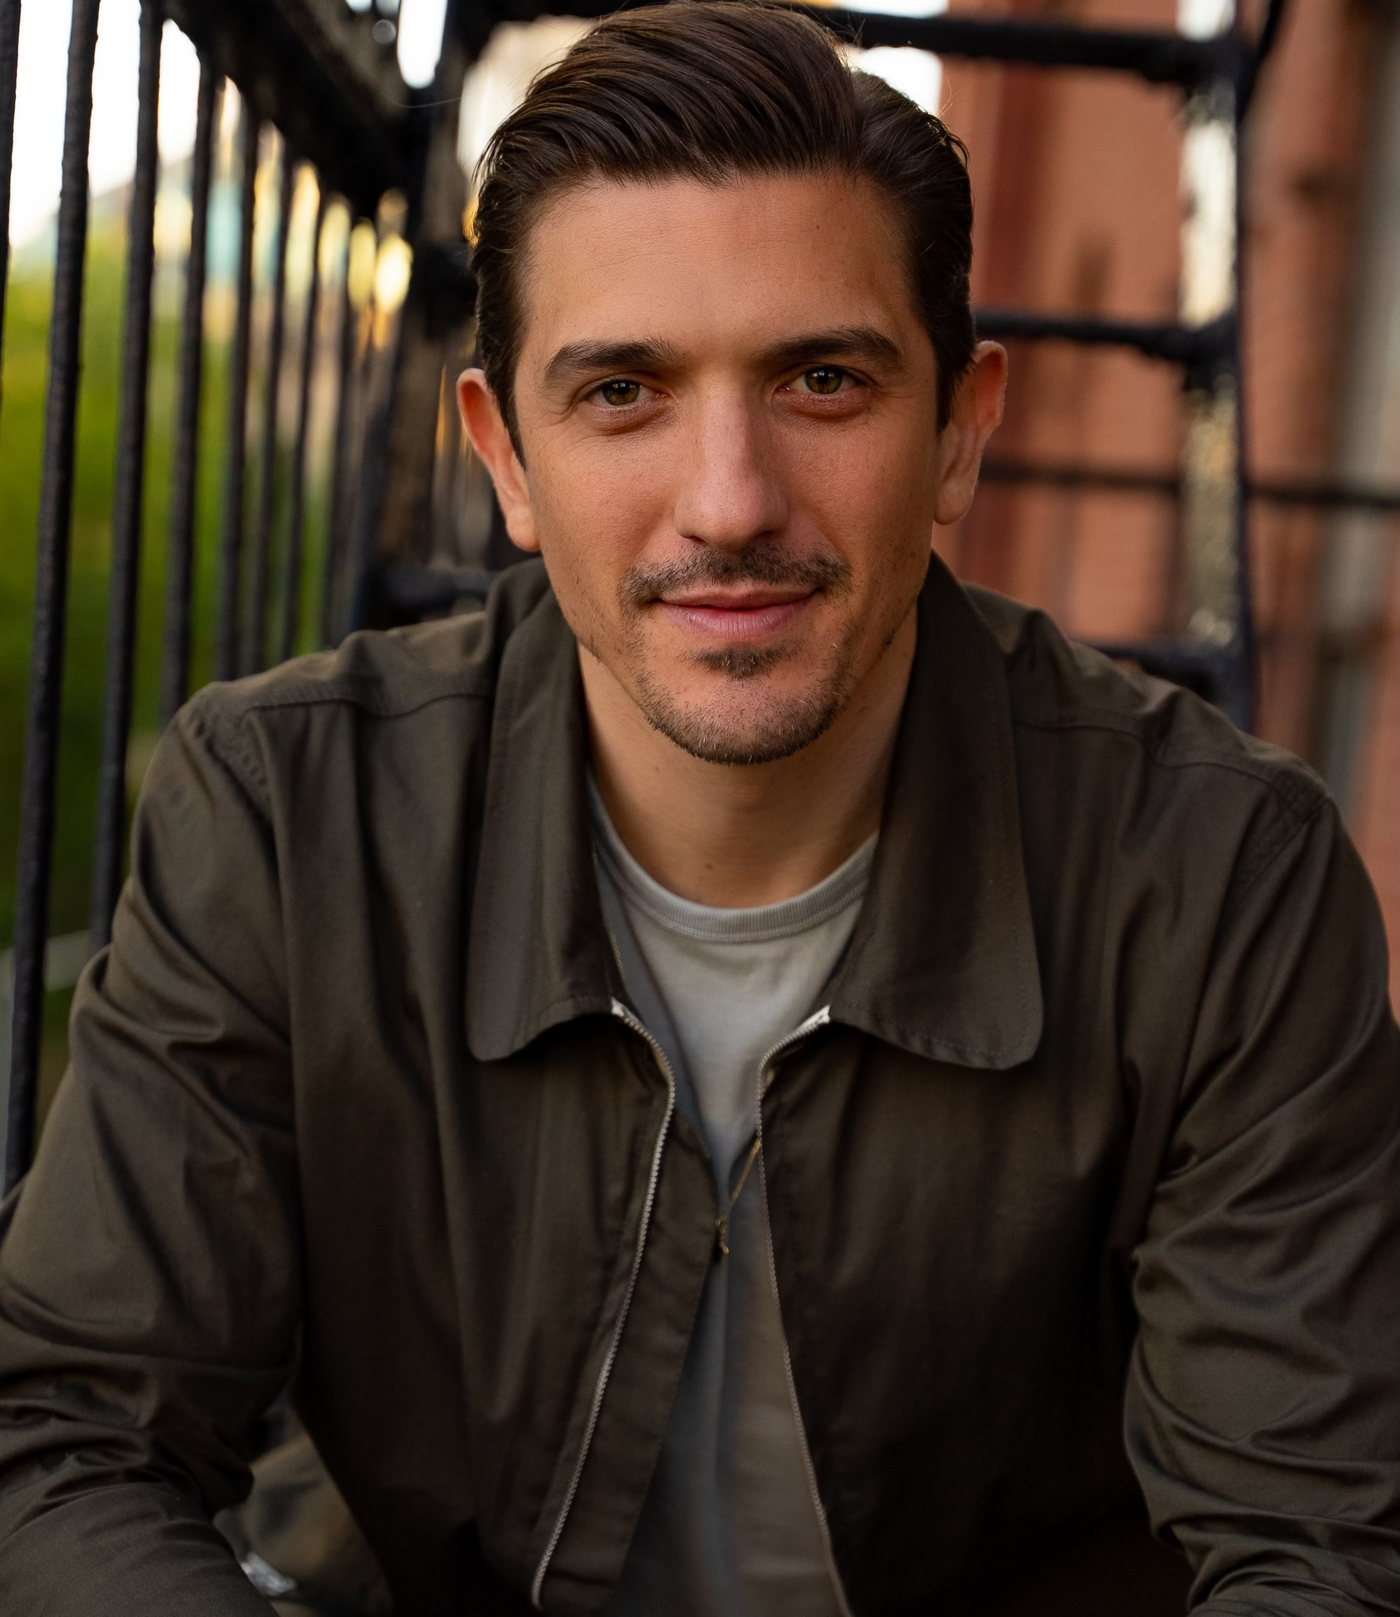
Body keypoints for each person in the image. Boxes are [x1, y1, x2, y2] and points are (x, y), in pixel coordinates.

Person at [1, 4, 1396, 1614]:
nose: (729, 501)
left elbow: (1324, 1554)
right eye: (622, 393)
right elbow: (70, 1443)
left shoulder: (1224, 876)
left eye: (822, 378)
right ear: (503, 459)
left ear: (961, 431)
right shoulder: (287, 816)